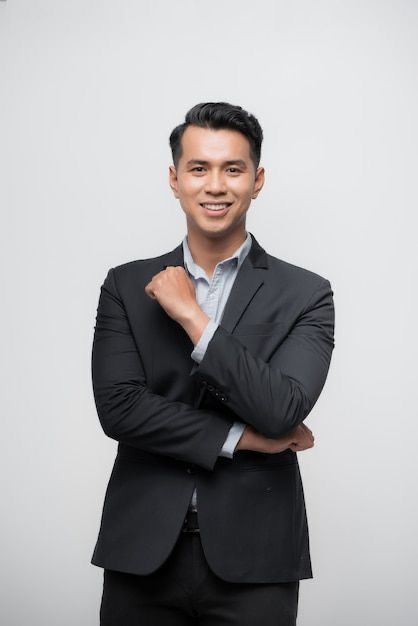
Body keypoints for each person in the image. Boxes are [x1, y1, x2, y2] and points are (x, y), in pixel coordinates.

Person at [91, 101, 335, 625]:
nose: (216, 186)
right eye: (199, 169)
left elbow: (281, 407)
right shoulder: (125, 285)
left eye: (233, 169)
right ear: (175, 179)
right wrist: (244, 440)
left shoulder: (307, 293)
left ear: (257, 180)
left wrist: (193, 319)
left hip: (256, 558)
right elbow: (120, 410)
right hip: (141, 550)